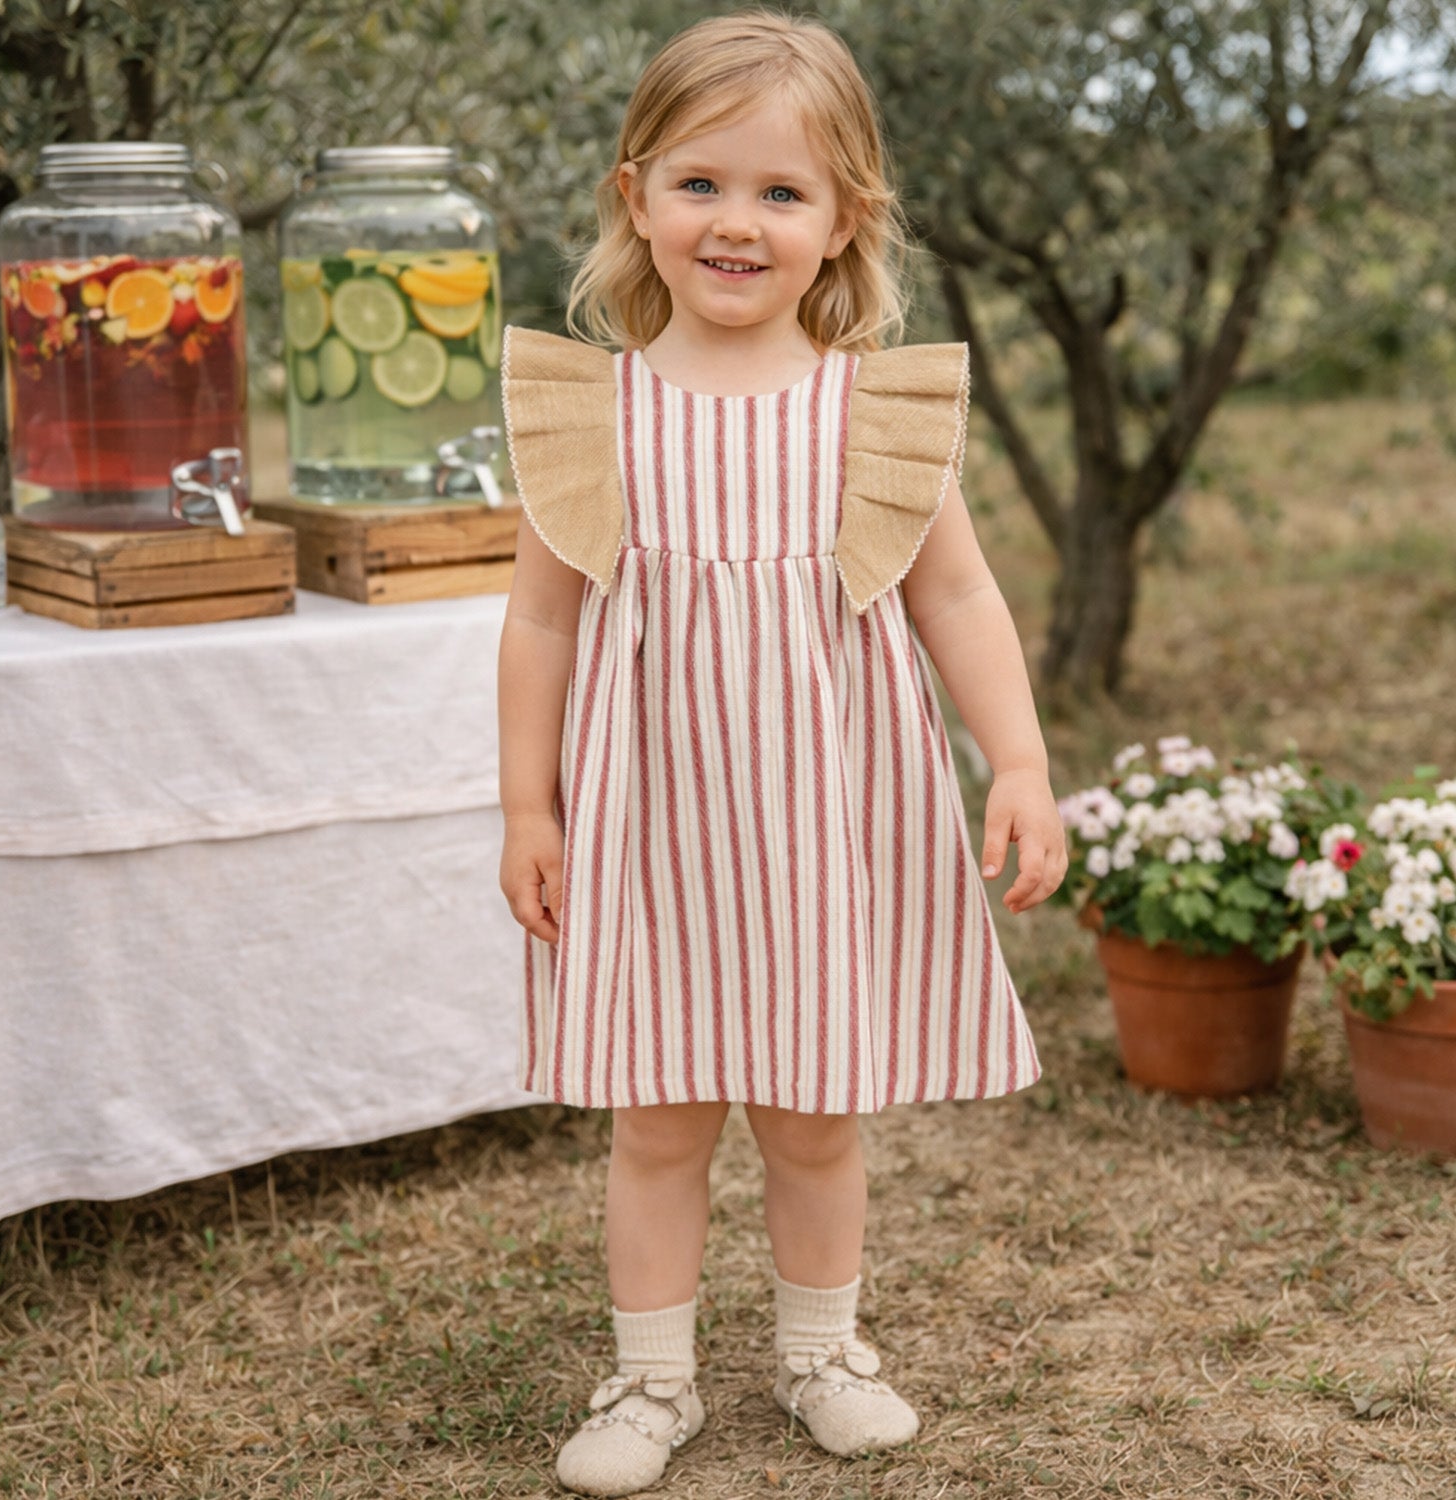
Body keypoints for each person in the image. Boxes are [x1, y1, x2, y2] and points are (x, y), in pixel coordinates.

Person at [496, 11, 1067, 1495]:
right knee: (658, 1119)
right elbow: (543, 630)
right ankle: (651, 1381)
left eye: (779, 192)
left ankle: (822, 1353)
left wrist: (1016, 759)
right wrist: (529, 807)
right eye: (700, 184)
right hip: (654, 825)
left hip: (824, 820)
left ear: (842, 221)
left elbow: (958, 594)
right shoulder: (597, 413)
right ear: (636, 195)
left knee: (815, 1119)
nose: (735, 222)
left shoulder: (871, 411)